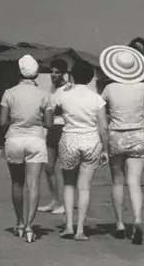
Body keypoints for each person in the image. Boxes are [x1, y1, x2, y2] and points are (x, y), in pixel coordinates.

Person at [45, 61, 109, 241]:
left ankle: (68, 226)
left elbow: (50, 112)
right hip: (91, 141)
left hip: (69, 139)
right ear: (90, 78)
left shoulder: (63, 95)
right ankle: (81, 229)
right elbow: (103, 127)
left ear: (71, 76)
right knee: (85, 187)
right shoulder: (97, 98)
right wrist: (105, 149)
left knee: (68, 184)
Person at [99, 45, 144, 245]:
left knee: (117, 182)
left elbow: (103, 111)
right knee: (135, 182)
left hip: (116, 137)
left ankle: (120, 224)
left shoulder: (109, 88)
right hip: (138, 136)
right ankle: (137, 220)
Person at [0, 55, 50, 243]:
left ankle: (19, 223)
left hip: (14, 138)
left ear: (19, 71)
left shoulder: (9, 93)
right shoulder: (44, 95)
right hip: (36, 139)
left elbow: (2, 121)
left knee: (17, 183)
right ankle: (30, 227)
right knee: (34, 183)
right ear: (36, 74)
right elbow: (50, 123)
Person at [38, 58, 71, 215]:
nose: (53, 74)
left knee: (64, 169)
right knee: (48, 167)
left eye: (57, 72)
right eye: (51, 71)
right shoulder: (50, 89)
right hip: (51, 129)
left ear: (63, 74)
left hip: (64, 129)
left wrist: (61, 109)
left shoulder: (68, 89)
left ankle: (66, 203)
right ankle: (53, 200)